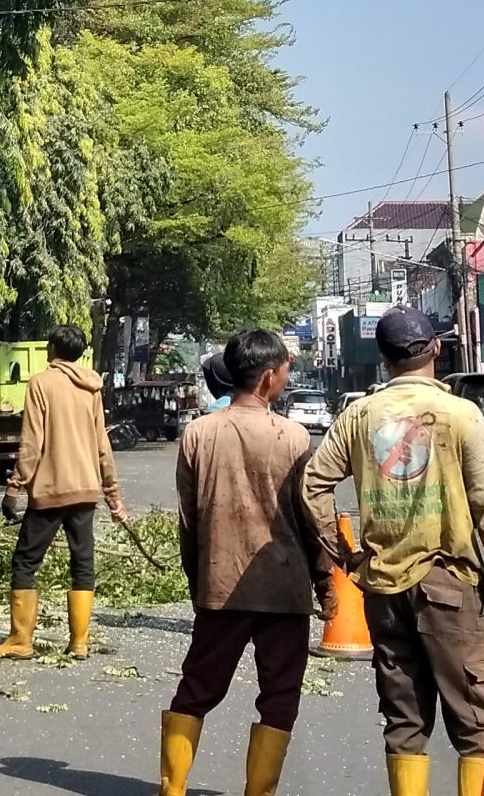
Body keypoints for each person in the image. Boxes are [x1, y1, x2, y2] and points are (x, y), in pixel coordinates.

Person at [304, 307, 484, 796]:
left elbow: (313, 485)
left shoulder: (359, 416)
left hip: (383, 589)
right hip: (448, 584)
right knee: (476, 722)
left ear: (383, 358)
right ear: (436, 349)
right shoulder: (460, 415)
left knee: (404, 722)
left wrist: (345, 555)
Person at [159, 328, 330, 796]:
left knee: (196, 688)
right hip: (283, 589)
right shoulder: (294, 437)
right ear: (268, 377)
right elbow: (313, 521)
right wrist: (326, 587)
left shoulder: (198, 433)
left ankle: (172, 788)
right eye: (286, 370)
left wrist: (199, 582)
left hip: (220, 584)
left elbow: (189, 521)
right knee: (279, 697)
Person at [0, 325, 126, 660]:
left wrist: (14, 487)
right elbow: (102, 445)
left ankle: (20, 641)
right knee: (83, 563)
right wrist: (113, 496)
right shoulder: (92, 387)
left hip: (50, 491)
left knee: (25, 562)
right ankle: (79, 642)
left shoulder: (41, 383)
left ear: (52, 348)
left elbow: (32, 443)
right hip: (85, 491)